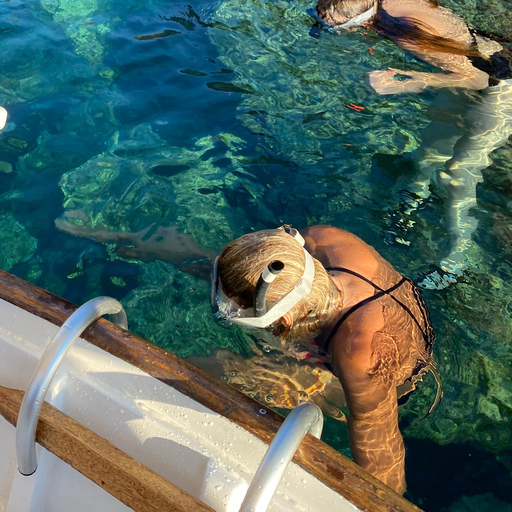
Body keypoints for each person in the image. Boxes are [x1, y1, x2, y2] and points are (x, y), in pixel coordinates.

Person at [57, 215, 439, 494]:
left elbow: (379, 445)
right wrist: (116, 237)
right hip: (355, 312)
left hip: (377, 382)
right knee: (241, 282)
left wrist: (381, 502)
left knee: (211, 369)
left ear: (284, 325)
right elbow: (246, 270)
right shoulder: (324, 241)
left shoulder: (361, 360)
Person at [315, 0, 512, 288]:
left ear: (361, 21)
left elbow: (479, 77)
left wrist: (410, 82)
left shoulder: (403, 31)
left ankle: (455, 263)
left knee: (459, 174)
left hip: (499, 87)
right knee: (428, 153)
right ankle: (410, 203)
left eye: (334, 28)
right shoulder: (392, 4)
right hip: (474, 71)